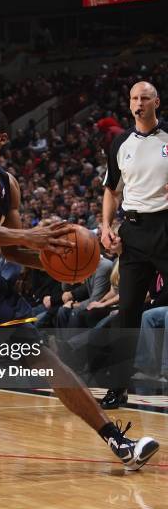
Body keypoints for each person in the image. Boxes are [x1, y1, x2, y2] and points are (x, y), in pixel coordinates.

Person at [0, 105, 159, 489]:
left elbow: (12, 253)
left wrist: (56, 256)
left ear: (1, 138)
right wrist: (27, 237)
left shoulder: (9, 185)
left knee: (44, 358)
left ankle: (118, 441)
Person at [101, 81, 168, 408]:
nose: (138, 103)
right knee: (127, 310)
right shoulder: (120, 143)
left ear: (156, 101)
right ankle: (119, 386)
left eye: (144, 97)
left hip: (166, 225)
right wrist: (105, 226)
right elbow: (112, 190)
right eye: (133, 98)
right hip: (134, 231)